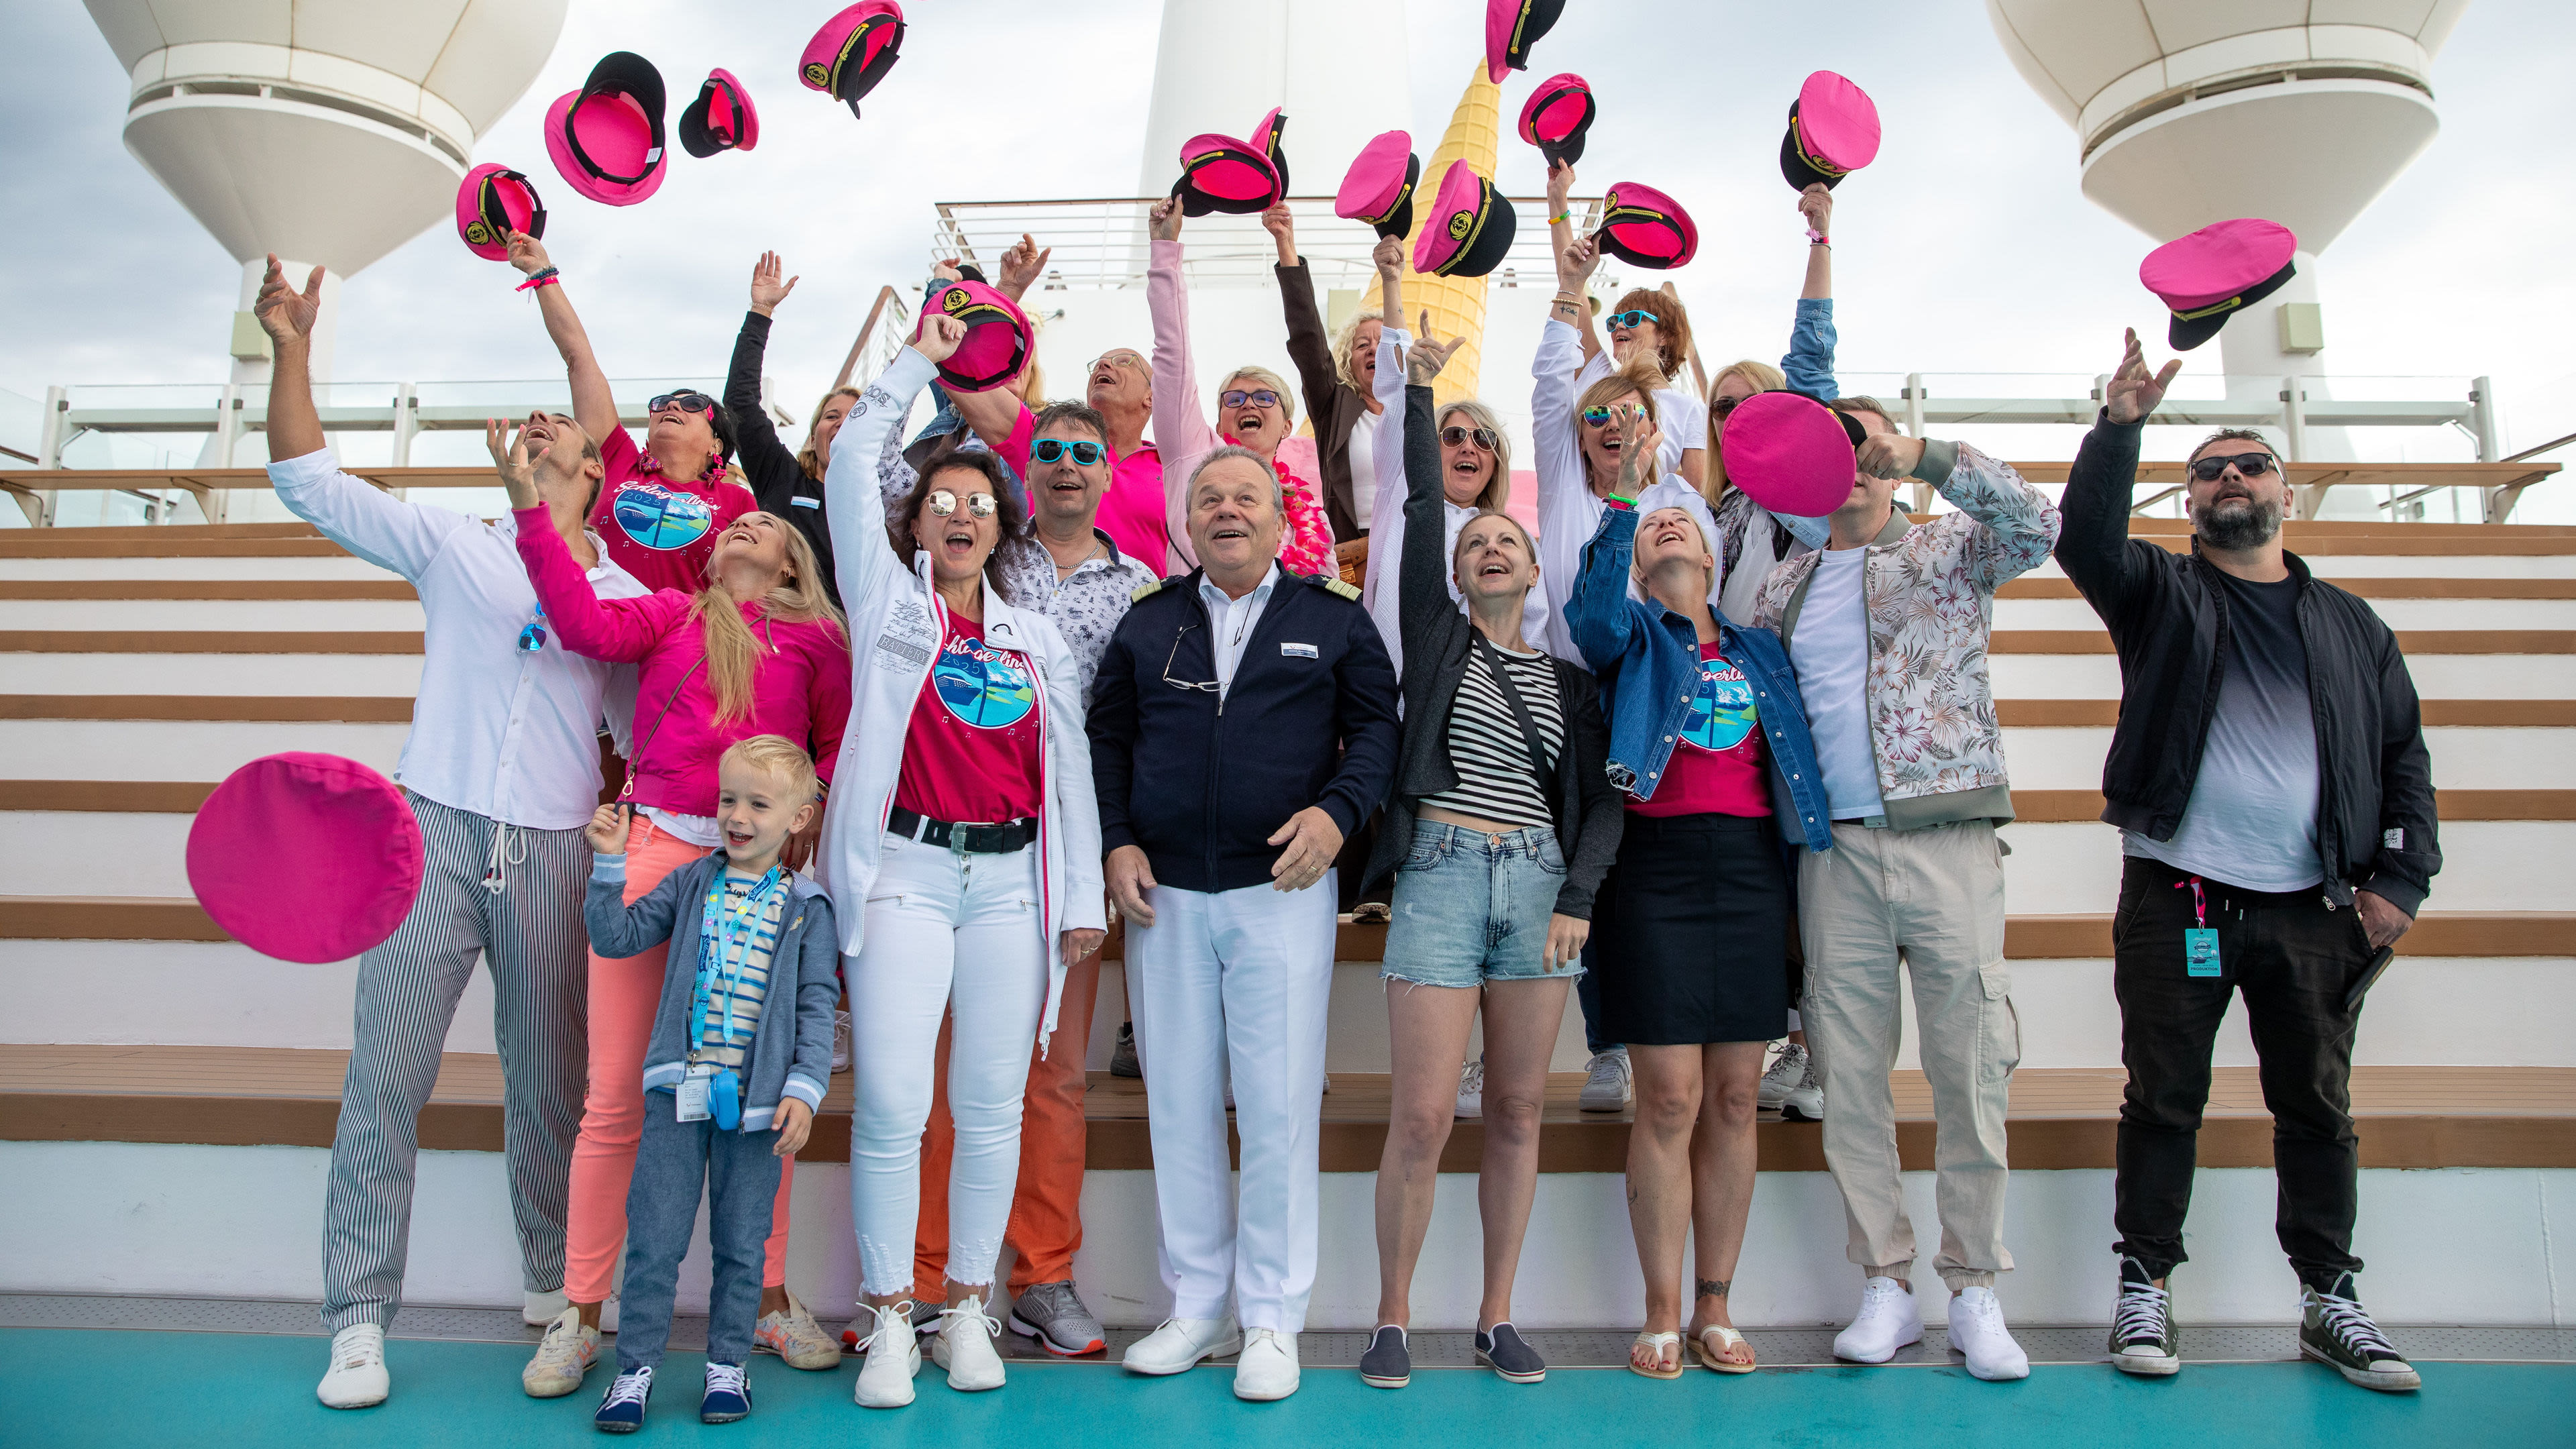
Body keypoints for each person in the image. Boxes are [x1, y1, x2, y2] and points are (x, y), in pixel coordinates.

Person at [253, 257, 641, 1411]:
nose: (540, 423)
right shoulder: (452, 541)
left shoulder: (626, 594)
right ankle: (358, 1320)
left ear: (594, 466)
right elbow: (307, 479)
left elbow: (652, 731)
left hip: (556, 848)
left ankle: (552, 1289)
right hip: (429, 829)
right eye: (532, 417)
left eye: (561, 423)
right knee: (386, 1077)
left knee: (551, 1085)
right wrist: (292, 350)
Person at [2061, 331, 2440, 1393]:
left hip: (2316, 906)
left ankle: (2330, 1298)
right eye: (2211, 470)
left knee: (2316, 1106)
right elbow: (2085, 537)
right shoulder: (2159, 593)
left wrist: (2401, 881)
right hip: (2179, 892)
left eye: (2252, 465)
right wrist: (2121, 427)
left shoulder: (2353, 626)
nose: (2232, 478)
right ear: (2189, 503)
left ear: (2287, 493)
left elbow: (2402, 756)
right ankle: (2144, 1286)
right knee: (2163, 1097)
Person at [506, 427, 851, 1397]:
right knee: (617, 1094)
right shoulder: (670, 614)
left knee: (762, 1095)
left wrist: (807, 830)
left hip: (759, 872)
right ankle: (581, 1311)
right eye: (735, 526)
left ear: (794, 562)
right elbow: (578, 619)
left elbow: (838, 748)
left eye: (764, 528)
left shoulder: (819, 641)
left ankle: (768, 1299)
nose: (743, 529)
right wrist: (533, 511)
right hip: (656, 851)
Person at [820, 316, 1106, 1409]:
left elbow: (1069, 777)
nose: (959, 515)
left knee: (992, 1107)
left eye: (978, 504)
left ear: (1000, 529)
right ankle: (894, 1315)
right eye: (941, 501)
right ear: (918, 523)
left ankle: (970, 1309)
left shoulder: (1036, 638)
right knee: (895, 1105)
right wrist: (919, 359)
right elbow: (853, 457)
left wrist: (1078, 900)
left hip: (1010, 889)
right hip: (905, 872)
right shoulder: (888, 606)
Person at [1746, 395, 2059, 1382]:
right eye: (1838, 441)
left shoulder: (1949, 547)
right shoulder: (1783, 584)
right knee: (1848, 1074)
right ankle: (1885, 1280)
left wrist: (1926, 454)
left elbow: (2039, 524)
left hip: (1948, 839)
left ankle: (1974, 1287)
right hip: (1832, 854)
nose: (1856, 456)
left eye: (1867, 439)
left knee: (1971, 1066)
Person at [1088, 446, 1401, 1402]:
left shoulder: (1332, 617)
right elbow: (1108, 738)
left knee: (1276, 1109)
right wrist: (1115, 840)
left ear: (1278, 520)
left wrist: (1338, 814)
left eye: (1246, 498)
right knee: (1179, 1105)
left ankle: (1270, 1317)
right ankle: (1198, 1307)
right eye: (1210, 499)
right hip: (1166, 896)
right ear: (1187, 523)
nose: (1227, 511)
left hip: (1282, 893)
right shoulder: (1147, 622)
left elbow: (1378, 732)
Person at [1352, 325, 1621, 1391]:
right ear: (1457, 574)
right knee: (1422, 1114)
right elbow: (1425, 503)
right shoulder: (1437, 636)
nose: (1492, 551)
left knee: (1515, 1110)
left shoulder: (1570, 682)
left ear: (1533, 567)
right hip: (1444, 876)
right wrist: (1419, 392)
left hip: (1542, 888)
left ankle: (1496, 1314)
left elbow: (1602, 804)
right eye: (1478, 548)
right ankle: (1392, 1316)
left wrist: (1581, 896)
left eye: (1509, 542)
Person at [1568, 413, 1835, 1379]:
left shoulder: (1761, 648)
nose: (1667, 525)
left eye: (1682, 519)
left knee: (1733, 1095)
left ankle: (1715, 1305)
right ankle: (1660, 1309)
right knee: (1670, 1096)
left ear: (1719, 555)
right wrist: (1625, 498)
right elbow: (1592, 612)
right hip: (1656, 870)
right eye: (1653, 528)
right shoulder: (1631, 636)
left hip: (1753, 872)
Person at [894, 398, 1154, 1356]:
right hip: (940, 845)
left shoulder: (1141, 588)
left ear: (1111, 470)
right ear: (1024, 467)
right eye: (1049, 449)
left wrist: (1108, 854)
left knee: (1053, 1080)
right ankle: (923, 1281)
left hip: (1056, 857)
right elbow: (881, 481)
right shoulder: (975, 560)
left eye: (1086, 451)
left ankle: (1042, 1277)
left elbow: (1126, 735)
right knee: (936, 1072)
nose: (1067, 464)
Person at [576, 738, 840, 1433]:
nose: (737, 816)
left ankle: (728, 1365)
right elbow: (615, 938)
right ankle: (634, 1371)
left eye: (759, 804)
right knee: (654, 1239)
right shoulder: (692, 882)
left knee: (742, 1245)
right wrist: (610, 863)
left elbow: (817, 1005)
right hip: (678, 1094)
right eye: (728, 800)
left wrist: (805, 1088)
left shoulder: (808, 907)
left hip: (758, 1110)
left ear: (799, 818)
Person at [506, 231, 758, 595]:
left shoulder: (737, 501)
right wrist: (542, 273)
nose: (672, 406)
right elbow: (579, 358)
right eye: (663, 402)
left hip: (680, 630)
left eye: (692, 405)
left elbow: (750, 587)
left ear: (716, 444)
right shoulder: (616, 458)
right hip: (594, 620)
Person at [1355, 236, 1546, 672]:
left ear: (1495, 463)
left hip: (1483, 699)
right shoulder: (1401, 493)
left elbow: (1534, 626)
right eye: (1454, 435)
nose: (1468, 446)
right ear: (1429, 447)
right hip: (1391, 693)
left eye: (1484, 440)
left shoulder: (1512, 539)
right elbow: (1398, 401)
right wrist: (1391, 281)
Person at [1146, 195, 1336, 578]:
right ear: (1218, 424)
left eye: (1265, 398)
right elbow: (1173, 355)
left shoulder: (1308, 508)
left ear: (1287, 425)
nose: (1249, 405)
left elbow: (1328, 586)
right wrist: (1165, 251)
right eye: (1234, 399)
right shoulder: (1193, 453)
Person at [1543, 160, 1705, 488]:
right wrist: (1558, 201)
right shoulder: (1599, 377)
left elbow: (1696, 498)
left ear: (1665, 336)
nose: (1618, 327)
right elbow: (1571, 282)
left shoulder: (1690, 409)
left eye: (1632, 319)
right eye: (1614, 321)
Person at [722, 250, 857, 608]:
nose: (842, 423)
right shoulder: (783, 479)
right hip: (770, 631)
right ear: (813, 439)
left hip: (846, 640)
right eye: (831, 416)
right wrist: (761, 312)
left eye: (855, 417)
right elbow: (740, 403)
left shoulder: (883, 505)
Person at [1266, 203, 1389, 539]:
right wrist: (1286, 246)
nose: (1373, 349)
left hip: (1410, 546)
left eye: (1383, 342)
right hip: (1351, 548)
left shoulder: (1416, 412)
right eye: (1362, 345)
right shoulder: (1335, 407)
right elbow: (1308, 342)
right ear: (1348, 361)